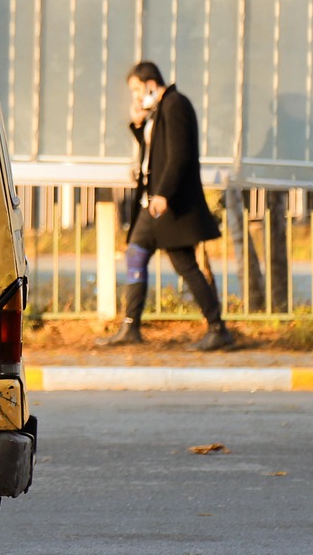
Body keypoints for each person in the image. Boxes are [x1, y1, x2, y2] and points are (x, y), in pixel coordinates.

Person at [98, 61, 235, 351]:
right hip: (156, 204)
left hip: (169, 205)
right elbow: (154, 153)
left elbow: (179, 156)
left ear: (150, 84)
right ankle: (131, 327)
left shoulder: (175, 105)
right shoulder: (161, 109)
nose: (135, 96)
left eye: (136, 89)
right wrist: (139, 124)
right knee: (136, 252)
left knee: (185, 265)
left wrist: (164, 194)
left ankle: (218, 329)